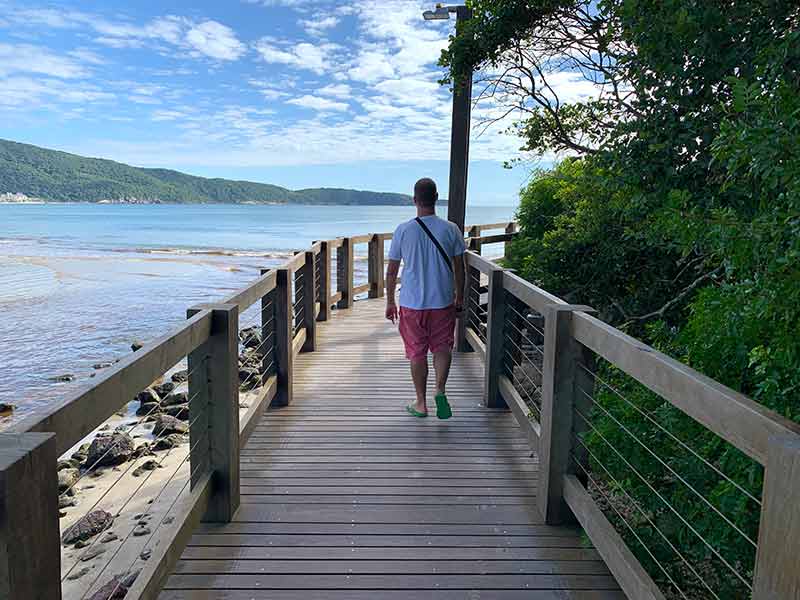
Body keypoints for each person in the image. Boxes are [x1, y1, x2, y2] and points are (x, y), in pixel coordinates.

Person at [385, 178, 466, 419]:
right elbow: (460, 268)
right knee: (442, 347)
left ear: (414, 200)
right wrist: (460, 296)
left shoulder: (403, 230)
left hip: (411, 303)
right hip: (442, 301)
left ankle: (420, 403)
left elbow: (391, 271)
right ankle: (439, 389)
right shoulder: (451, 229)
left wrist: (390, 301)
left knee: (416, 352)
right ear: (436, 197)